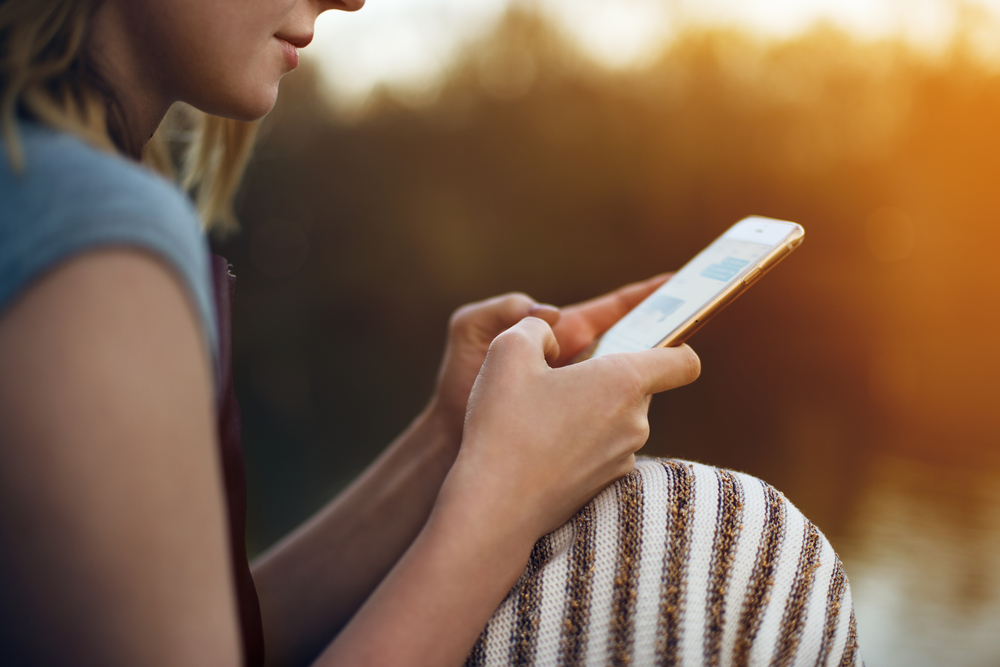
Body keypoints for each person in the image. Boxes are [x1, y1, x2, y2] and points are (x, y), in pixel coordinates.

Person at [0, 1, 862, 665]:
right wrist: (505, 499)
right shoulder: (93, 241)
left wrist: (449, 439)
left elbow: (213, 635)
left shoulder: (46, 186)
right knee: (730, 543)